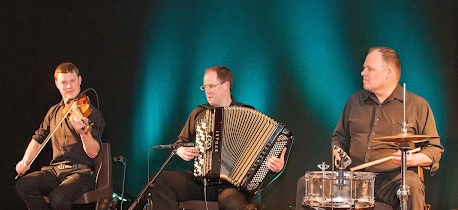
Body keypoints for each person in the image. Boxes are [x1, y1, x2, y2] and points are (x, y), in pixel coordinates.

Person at [295, 47, 444, 210]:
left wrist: (412, 159)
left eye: (369, 69)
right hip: (353, 180)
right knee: (306, 184)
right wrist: (337, 151)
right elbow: (340, 137)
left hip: (390, 181)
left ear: (388, 73)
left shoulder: (417, 105)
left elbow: (434, 150)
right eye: (364, 68)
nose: (363, 73)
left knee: (412, 184)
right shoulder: (355, 101)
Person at [149, 66, 288, 210]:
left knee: (232, 203)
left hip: (233, 187)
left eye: (211, 86)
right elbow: (180, 143)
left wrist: (274, 166)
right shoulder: (199, 113)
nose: (207, 91)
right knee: (160, 180)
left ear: (226, 85)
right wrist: (181, 150)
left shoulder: (247, 113)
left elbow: (262, 153)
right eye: (205, 87)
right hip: (200, 182)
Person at [15, 62, 105, 210]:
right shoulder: (53, 112)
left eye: (72, 81)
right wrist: (26, 160)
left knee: (58, 198)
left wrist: (84, 133)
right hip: (56, 170)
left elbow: (94, 152)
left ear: (80, 80)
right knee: (24, 185)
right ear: (57, 84)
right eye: (64, 82)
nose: (69, 86)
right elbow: (38, 139)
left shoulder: (91, 113)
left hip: (81, 173)